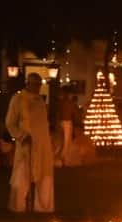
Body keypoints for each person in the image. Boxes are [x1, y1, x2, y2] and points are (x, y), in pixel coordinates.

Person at [6, 72, 54, 212]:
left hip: (43, 145)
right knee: (22, 176)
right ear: (28, 84)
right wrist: (21, 136)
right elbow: (10, 123)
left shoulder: (40, 100)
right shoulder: (18, 99)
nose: (38, 87)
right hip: (26, 146)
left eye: (39, 85)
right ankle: (18, 206)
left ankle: (43, 207)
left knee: (44, 176)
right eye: (35, 84)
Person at [56, 88, 77, 160]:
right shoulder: (68, 103)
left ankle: (62, 155)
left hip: (64, 122)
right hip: (66, 122)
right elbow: (73, 114)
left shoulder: (61, 103)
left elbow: (59, 112)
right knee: (65, 140)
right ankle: (63, 156)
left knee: (64, 139)